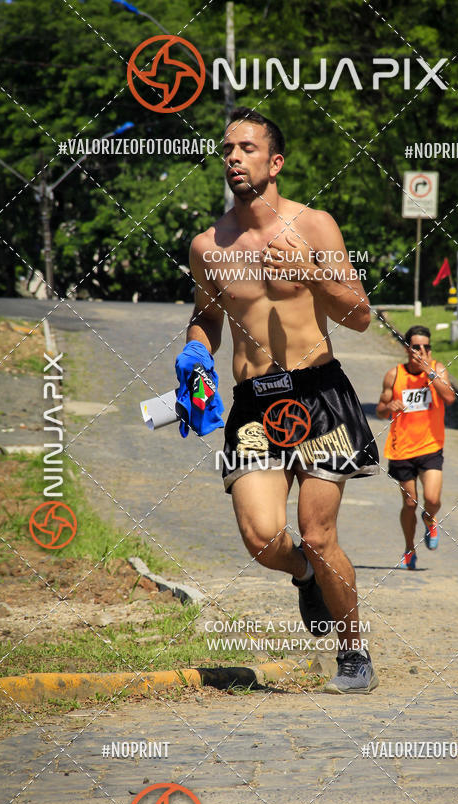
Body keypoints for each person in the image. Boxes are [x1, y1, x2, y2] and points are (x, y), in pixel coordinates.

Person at [184, 107, 380, 693]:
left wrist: (312, 276)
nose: (234, 158)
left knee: (318, 534)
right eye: (227, 150)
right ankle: (305, 576)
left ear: (275, 162)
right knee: (264, 538)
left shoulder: (314, 226)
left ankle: (354, 652)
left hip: (317, 394)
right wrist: (195, 356)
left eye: (246, 148)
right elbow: (206, 317)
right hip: (252, 404)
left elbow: (362, 316)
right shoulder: (207, 244)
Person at [376, 325, 455, 570]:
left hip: (431, 446)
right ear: (407, 348)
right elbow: (379, 409)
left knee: (432, 499)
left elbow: (450, 398)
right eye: (416, 346)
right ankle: (409, 549)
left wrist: (430, 374)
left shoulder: (438, 369)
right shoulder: (394, 375)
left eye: (426, 347)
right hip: (402, 449)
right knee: (410, 503)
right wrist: (390, 407)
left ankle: (430, 519)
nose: (422, 351)